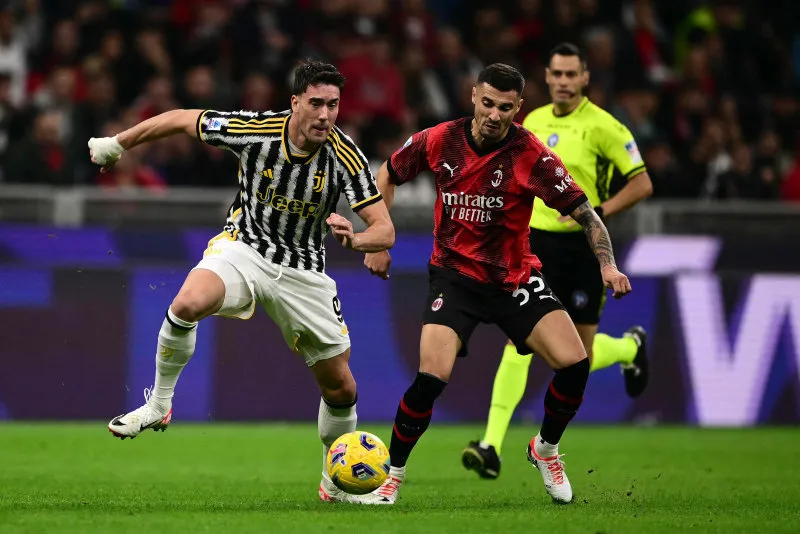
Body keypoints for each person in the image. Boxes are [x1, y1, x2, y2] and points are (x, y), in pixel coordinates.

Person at [87, 60, 395, 503]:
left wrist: (357, 239)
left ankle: (335, 484)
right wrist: (117, 144)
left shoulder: (345, 156)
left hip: (304, 272)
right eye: (316, 103)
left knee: (341, 387)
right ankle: (159, 404)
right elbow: (182, 119)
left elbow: (385, 229)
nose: (325, 115)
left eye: (333, 105)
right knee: (187, 303)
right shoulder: (257, 130)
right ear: (295, 103)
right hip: (245, 249)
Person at [359, 63, 632, 505]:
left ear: (517, 107)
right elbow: (387, 174)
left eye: (505, 107)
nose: (494, 114)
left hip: (513, 280)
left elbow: (586, 213)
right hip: (454, 278)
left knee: (575, 364)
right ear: (473, 96)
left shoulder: (531, 154)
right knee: (430, 379)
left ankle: (545, 449)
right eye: (487, 103)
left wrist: (608, 266)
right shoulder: (440, 139)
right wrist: (379, 237)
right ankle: (392, 477)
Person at [462, 43, 654, 480]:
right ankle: (491, 445)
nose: (564, 81)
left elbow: (642, 183)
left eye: (572, 74)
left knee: (576, 358)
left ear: (585, 78)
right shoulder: (532, 121)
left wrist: (600, 211)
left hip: (582, 250)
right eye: (557, 74)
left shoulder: (605, 127)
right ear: (547, 77)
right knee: (519, 342)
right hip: (534, 246)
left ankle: (629, 348)